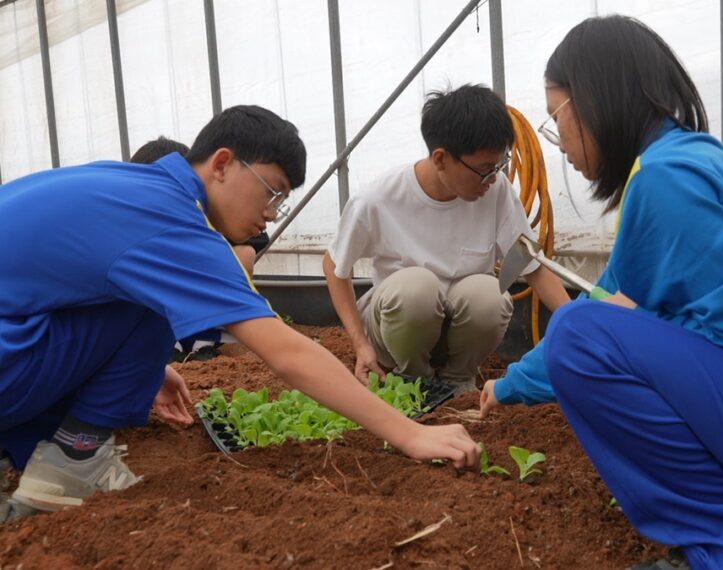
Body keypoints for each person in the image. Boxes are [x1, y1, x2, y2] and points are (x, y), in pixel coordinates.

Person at [479, 15, 723, 570]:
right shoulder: (687, 163)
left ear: (596, 101)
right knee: (583, 329)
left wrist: (640, 320)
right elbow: (607, 302)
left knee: (575, 333)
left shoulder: (668, 182)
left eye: (555, 117)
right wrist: (510, 384)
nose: (558, 140)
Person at [0, 105, 480, 523]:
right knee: (156, 303)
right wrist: (410, 433)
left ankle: (54, 462)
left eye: (282, 200)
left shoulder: (134, 186)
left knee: (148, 298)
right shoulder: (174, 221)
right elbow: (287, 354)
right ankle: (74, 462)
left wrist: (145, 365)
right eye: (272, 191)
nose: (273, 214)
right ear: (224, 164)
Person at [323, 84, 570, 391]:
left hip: (455, 333)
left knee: (490, 295)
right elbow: (334, 265)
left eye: (498, 166)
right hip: (397, 330)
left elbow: (531, 265)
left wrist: (580, 326)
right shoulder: (379, 198)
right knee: (417, 288)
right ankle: (414, 381)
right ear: (440, 158)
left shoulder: (496, 190)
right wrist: (360, 344)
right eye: (483, 170)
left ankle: (457, 382)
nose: (492, 179)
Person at [129, 136, 268, 361]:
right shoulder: (134, 224)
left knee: (244, 254)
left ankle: (202, 343)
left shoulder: (199, 212)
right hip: (150, 312)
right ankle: (168, 344)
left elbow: (256, 241)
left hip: (193, 308)